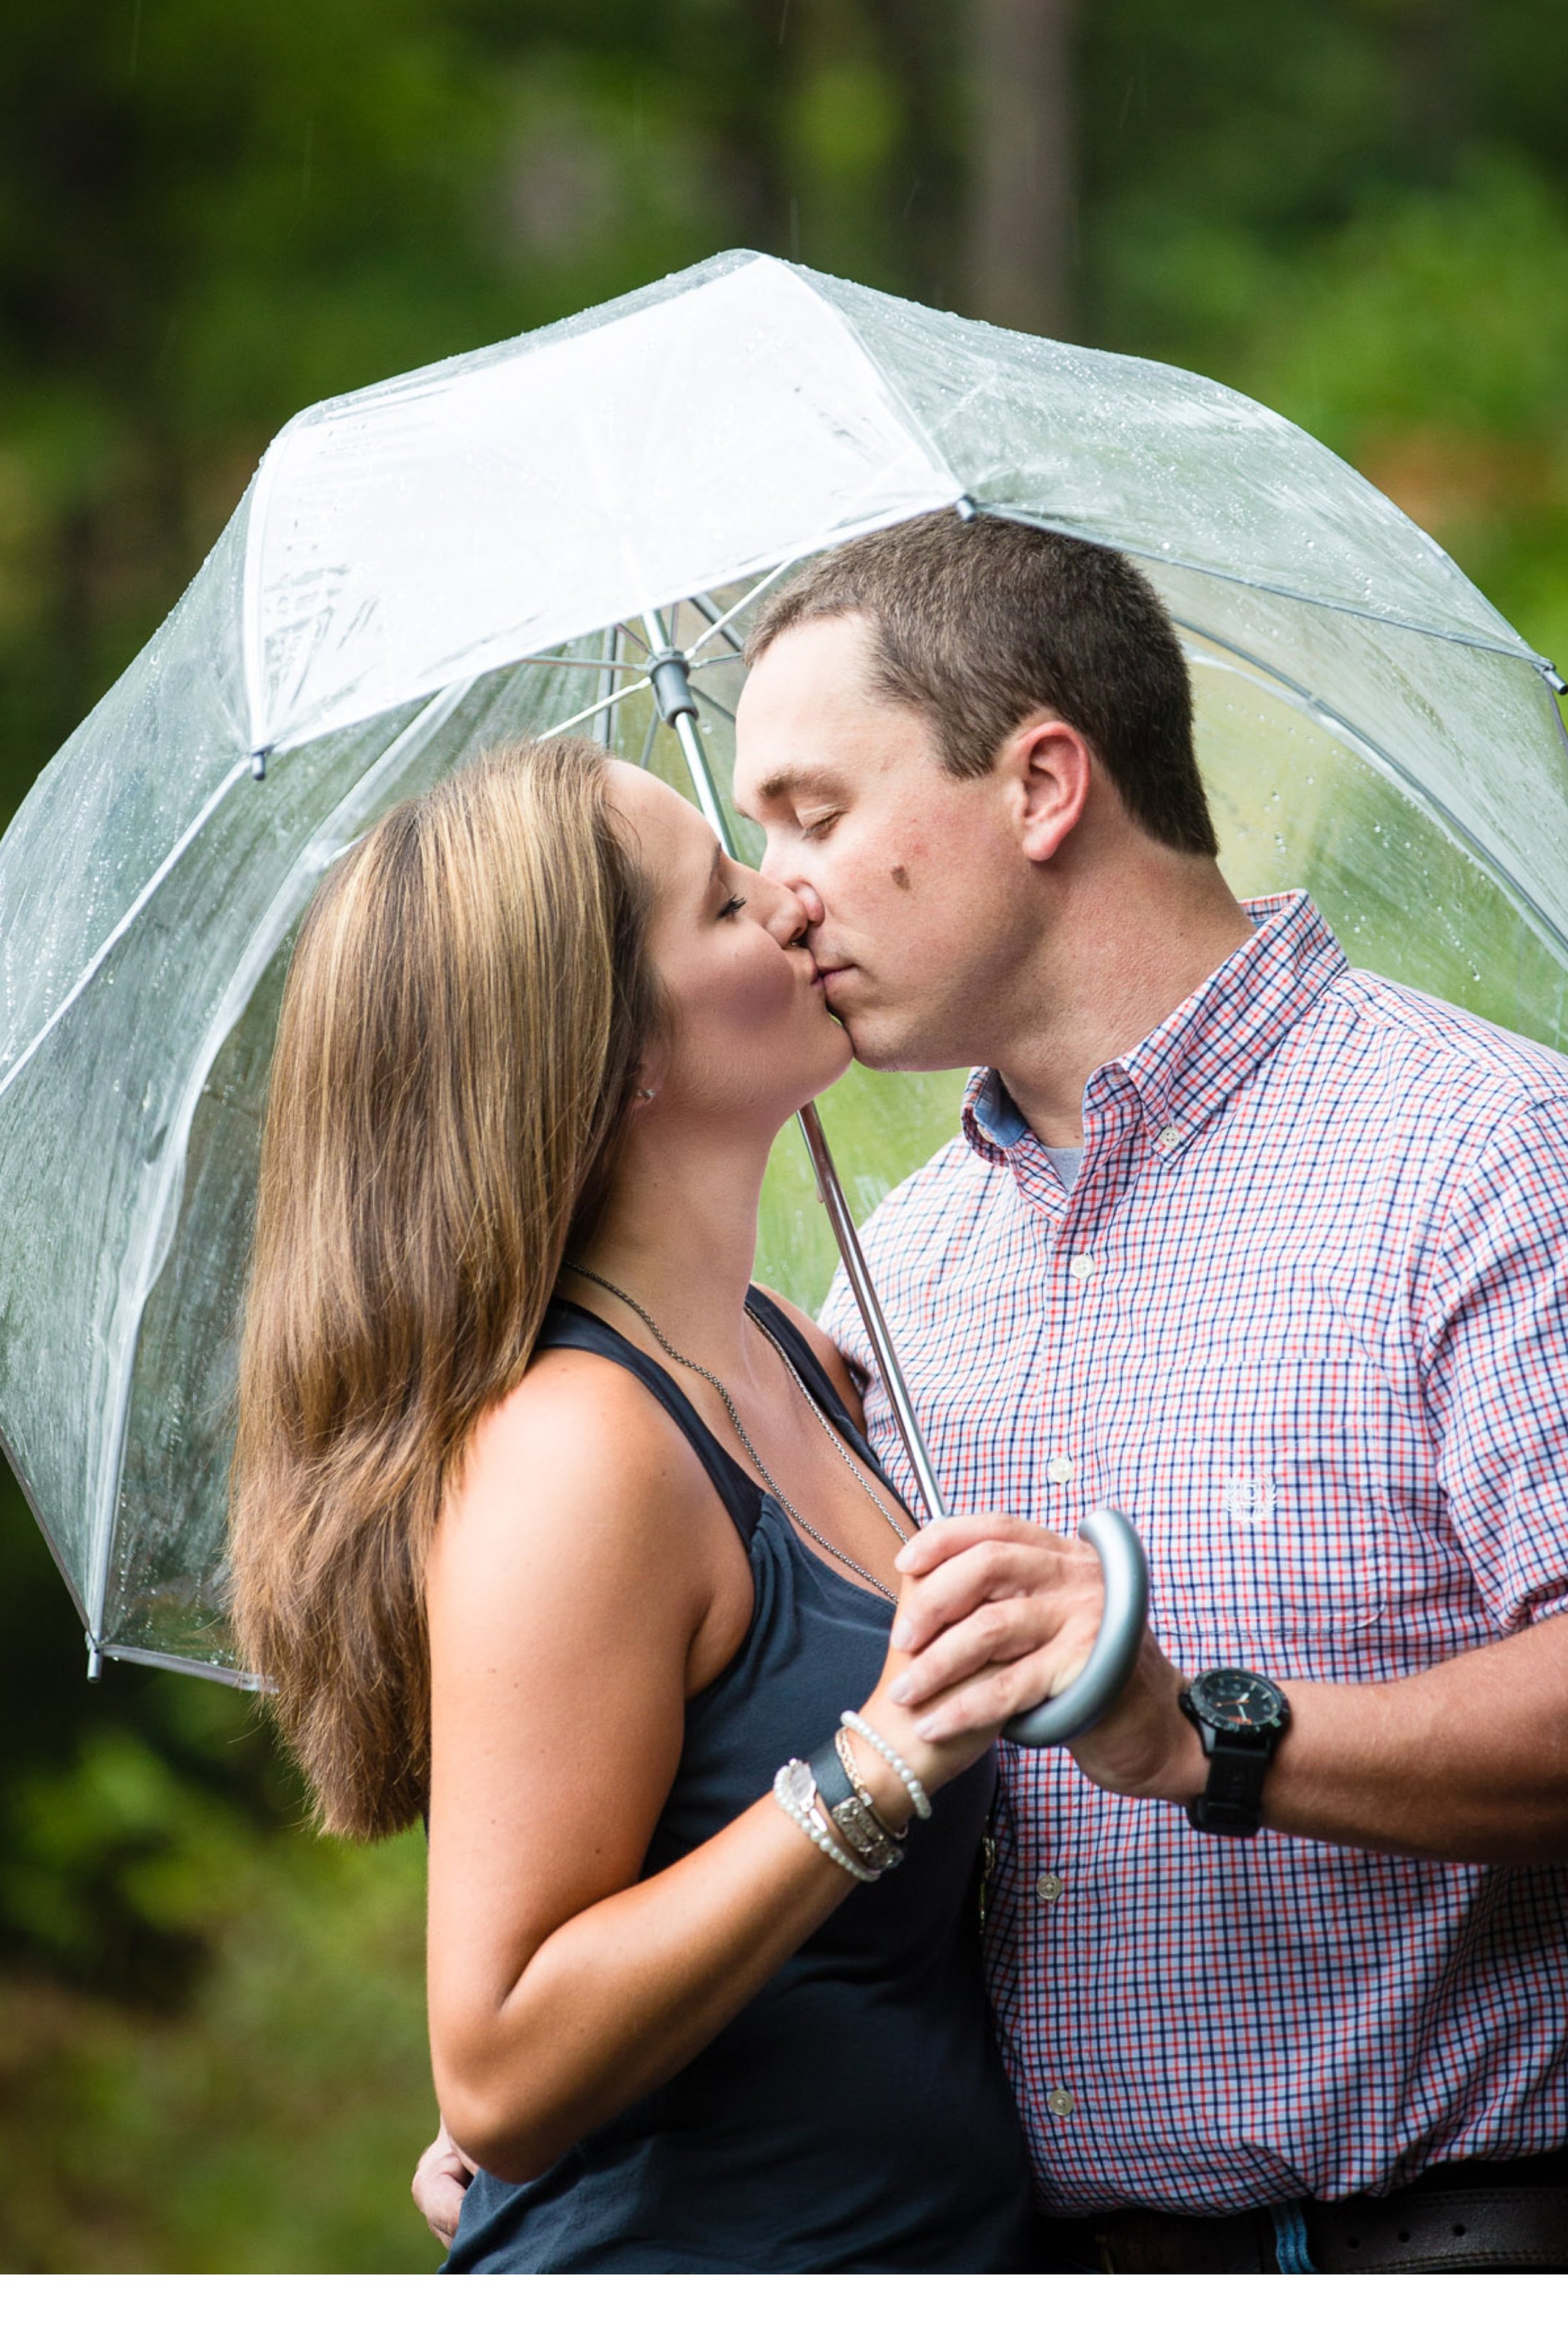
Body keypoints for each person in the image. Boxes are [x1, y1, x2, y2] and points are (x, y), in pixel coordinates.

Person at [405, 514, 1568, 2275]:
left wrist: (1210, 1735)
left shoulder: (1493, 1154)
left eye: (813, 814)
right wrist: (602, 2080)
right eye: (750, 842)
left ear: (1043, 783)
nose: (780, 890)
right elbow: (754, 1763)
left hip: (1443, 2249)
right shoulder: (891, 1280)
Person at [233, 733, 1049, 2274]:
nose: (794, 898)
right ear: (617, 1054)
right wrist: (874, 1767)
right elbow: (500, 2071)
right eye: (725, 900)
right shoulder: (580, 1451)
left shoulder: (785, 1352)